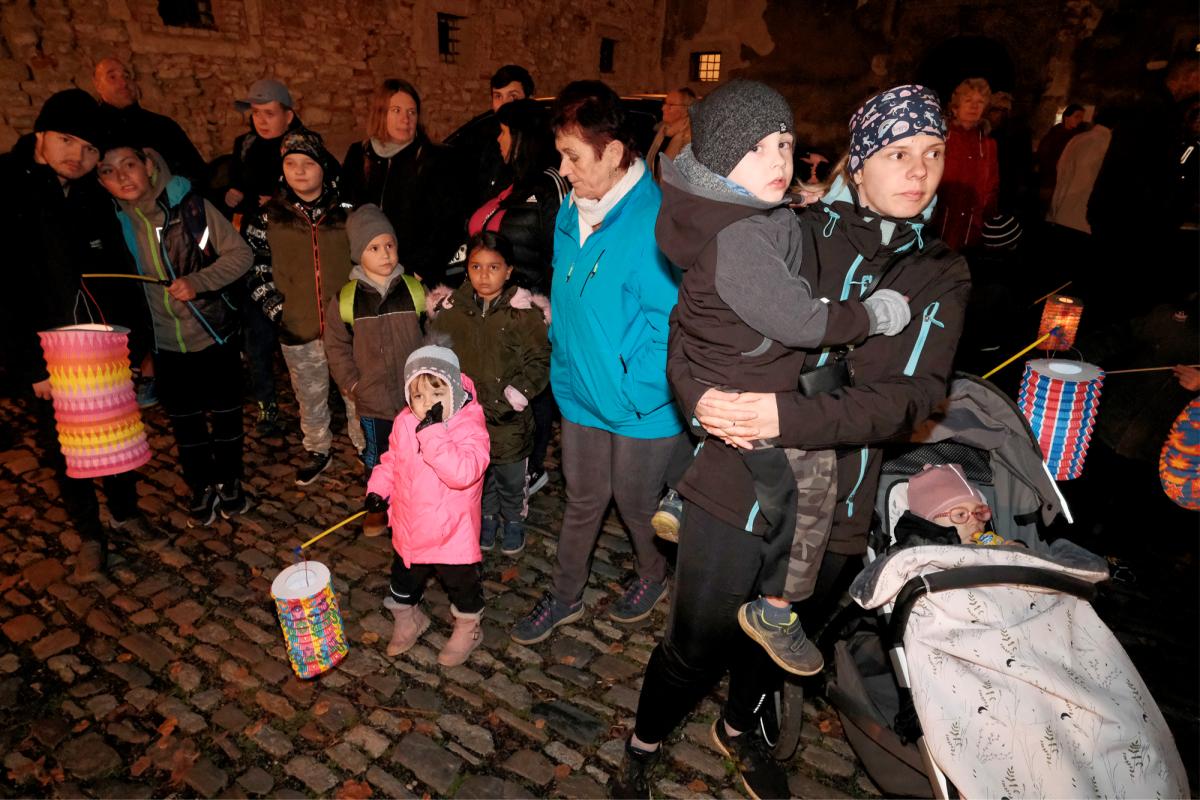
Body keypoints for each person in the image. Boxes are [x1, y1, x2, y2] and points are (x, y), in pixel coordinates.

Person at [615, 84, 970, 799]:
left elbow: (909, 399)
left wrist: (783, 418)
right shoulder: (788, 226)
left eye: (933, 153)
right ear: (857, 164)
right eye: (897, 153)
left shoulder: (939, 272)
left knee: (774, 638)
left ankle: (739, 728)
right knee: (694, 643)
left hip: (839, 505)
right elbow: (691, 324)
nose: (918, 170)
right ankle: (643, 741)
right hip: (734, 484)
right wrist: (698, 399)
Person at [656, 79, 912, 676]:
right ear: (723, 158)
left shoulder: (724, 212)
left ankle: (678, 492)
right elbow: (800, 320)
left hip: (722, 370)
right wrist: (872, 315)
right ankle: (775, 610)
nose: (778, 161)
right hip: (751, 388)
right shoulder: (743, 237)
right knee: (810, 490)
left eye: (785, 145)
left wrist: (800, 205)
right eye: (757, 148)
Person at [510, 80, 685, 645]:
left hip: (641, 405)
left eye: (573, 156)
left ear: (612, 153)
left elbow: (669, 323)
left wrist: (634, 390)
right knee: (583, 498)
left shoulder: (654, 222)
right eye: (561, 154)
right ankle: (565, 596)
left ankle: (653, 572)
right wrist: (563, 364)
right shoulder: (573, 207)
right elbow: (567, 294)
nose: (562, 169)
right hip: (580, 390)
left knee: (636, 502)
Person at [0, 89, 143, 580]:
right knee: (64, 447)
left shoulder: (89, 194)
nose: (77, 156)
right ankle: (90, 534)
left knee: (115, 432)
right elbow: (5, 290)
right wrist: (30, 365)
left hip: (100, 341)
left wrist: (133, 342)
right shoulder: (8, 186)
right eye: (66, 140)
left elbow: (117, 265)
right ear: (41, 133)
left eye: (88, 149)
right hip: (46, 350)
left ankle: (125, 512)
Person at [96, 134, 254, 527]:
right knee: (186, 423)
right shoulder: (112, 224)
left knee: (226, 415)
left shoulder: (191, 207)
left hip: (213, 331)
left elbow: (240, 254)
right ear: (101, 181)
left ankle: (230, 479)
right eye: (109, 171)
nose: (122, 177)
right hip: (165, 343)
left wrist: (199, 282)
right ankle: (200, 485)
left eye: (129, 165)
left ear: (148, 166)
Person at [243, 129, 364, 486]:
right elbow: (254, 267)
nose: (299, 171)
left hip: (347, 328)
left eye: (308, 163)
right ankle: (317, 448)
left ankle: (366, 447)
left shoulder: (346, 213)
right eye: (291, 163)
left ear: (323, 167)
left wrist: (360, 307)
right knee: (309, 394)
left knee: (356, 393)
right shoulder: (269, 216)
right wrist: (276, 309)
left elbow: (367, 261)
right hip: (297, 327)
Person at [364, 342, 490, 667]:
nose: (427, 404)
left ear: (454, 391)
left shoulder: (469, 425)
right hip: (411, 527)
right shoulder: (405, 422)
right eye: (418, 396)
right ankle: (409, 619)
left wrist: (433, 435)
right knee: (403, 580)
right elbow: (392, 461)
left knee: (461, 584)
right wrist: (378, 489)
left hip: (452, 532)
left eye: (437, 393)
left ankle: (469, 628)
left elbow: (463, 473)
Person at [428, 232, 551, 556]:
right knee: (478, 474)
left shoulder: (523, 314)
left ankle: (514, 518)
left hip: (509, 417)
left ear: (508, 270)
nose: (484, 275)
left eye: (493, 267)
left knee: (511, 476)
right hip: (468, 417)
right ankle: (486, 515)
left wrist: (519, 392)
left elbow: (540, 359)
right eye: (476, 267)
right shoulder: (453, 311)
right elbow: (437, 353)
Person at [324, 205, 426, 533]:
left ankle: (415, 507)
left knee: (419, 453)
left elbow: (433, 335)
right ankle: (377, 507)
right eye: (374, 247)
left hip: (416, 399)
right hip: (373, 401)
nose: (385, 254)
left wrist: (430, 381)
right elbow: (336, 346)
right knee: (378, 456)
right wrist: (353, 384)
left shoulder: (414, 290)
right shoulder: (346, 299)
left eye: (389, 245)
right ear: (358, 253)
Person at [226, 78, 304, 436]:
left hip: (292, 256)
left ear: (288, 115)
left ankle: (313, 401)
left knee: (299, 332)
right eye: (256, 113)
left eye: (269, 113)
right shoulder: (245, 145)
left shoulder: (303, 146)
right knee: (256, 333)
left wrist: (282, 202)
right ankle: (266, 405)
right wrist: (233, 195)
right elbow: (236, 187)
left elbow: (321, 193)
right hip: (254, 253)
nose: (262, 120)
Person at [340, 78, 464, 286]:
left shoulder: (434, 160)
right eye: (396, 110)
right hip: (367, 273)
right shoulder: (359, 155)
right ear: (381, 113)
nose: (405, 119)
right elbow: (345, 205)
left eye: (411, 112)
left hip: (414, 275)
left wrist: (422, 270)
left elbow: (450, 223)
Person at [452, 98, 568, 293]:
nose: (498, 139)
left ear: (521, 136)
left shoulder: (550, 185)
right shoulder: (509, 181)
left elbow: (562, 256)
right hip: (488, 301)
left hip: (525, 305)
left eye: (503, 131)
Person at [93, 57, 207, 187]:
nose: (123, 83)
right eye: (112, 77)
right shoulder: (92, 129)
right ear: (98, 85)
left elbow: (197, 173)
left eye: (127, 76)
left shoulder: (163, 126)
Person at [444, 65, 536, 208]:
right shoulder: (481, 139)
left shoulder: (538, 149)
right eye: (498, 96)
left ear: (530, 99)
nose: (504, 105)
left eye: (513, 96)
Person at [933, 77, 1000, 251]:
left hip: (972, 231)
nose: (974, 106)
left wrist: (986, 219)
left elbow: (992, 187)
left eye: (980, 102)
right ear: (955, 107)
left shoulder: (988, 145)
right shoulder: (939, 139)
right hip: (938, 229)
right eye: (968, 100)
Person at [896, 463, 1009, 547]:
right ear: (930, 524)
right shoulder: (915, 556)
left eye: (979, 513)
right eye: (960, 515)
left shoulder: (992, 549)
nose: (975, 522)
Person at [1035, 102, 1086, 212]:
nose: (1080, 120)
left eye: (1081, 117)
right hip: (1050, 180)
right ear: (1067, 117)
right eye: (1077, 116)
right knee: (1044, 208)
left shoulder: (1077, 136)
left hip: (1065, 181)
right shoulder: (1055, 134)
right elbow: (1043, 155)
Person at [646, 87, 696, 180]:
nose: (663, 108)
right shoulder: (662, 131)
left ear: (686, 110)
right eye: (665, 103)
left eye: (671, 105)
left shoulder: (689, 139)